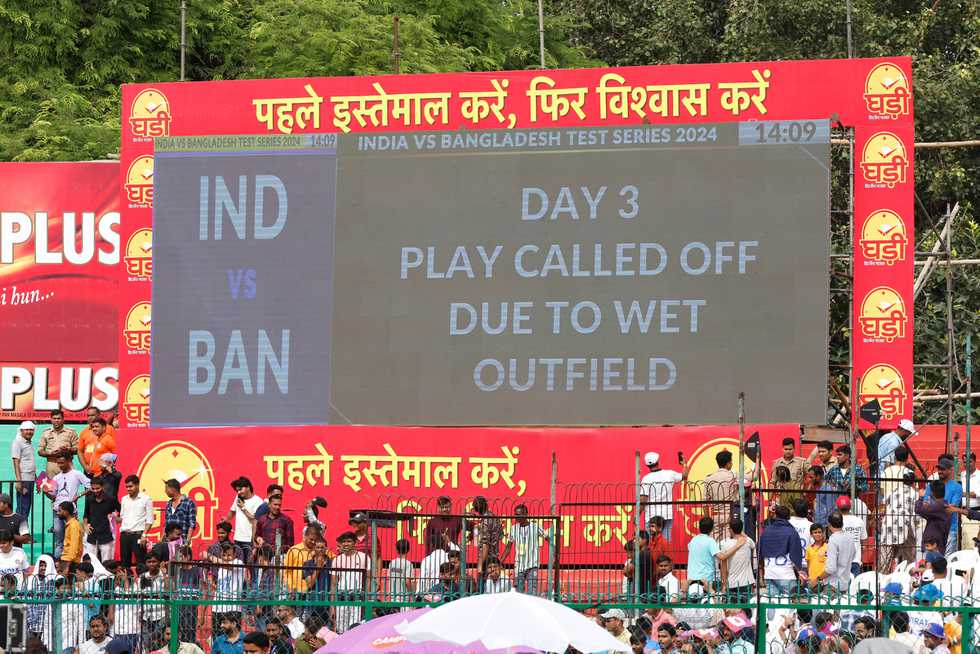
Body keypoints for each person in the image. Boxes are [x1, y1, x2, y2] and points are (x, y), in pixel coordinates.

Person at [44, 454, 90, 557]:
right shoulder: (56, 477)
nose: (60, 465)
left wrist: (78, 496)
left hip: (70, 511)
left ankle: (73, 560)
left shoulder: (77, 474)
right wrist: (46, 493)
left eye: (62, 463)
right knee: (59, 540)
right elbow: (53, 497)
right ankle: (58, 562)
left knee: (73, 537)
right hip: (57, 511)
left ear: (68, 461)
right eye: (58, 463)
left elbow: (90, 486)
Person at [639, 451, 689, 541]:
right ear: (657, 461)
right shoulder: (669, 474)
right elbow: (684, 475)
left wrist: (637, 514)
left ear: (647, 465)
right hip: (667, 513)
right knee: (666, 542)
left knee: (651, 542)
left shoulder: (646, 479)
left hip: (651, 515)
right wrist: (684, 464)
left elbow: (643, 500)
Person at [687, 516, 746, 592]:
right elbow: (722, 557)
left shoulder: (693, 540)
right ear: (712, 529)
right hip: (705, 580)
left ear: (699, 527)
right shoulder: (710, 541)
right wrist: (738, 545)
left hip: (691, 579)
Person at [501, 503, 549, 594]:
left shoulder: (535, 527)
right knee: (519, 593)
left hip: (532, 565)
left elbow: (548, 538)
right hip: (519, 566)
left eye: (519, 515)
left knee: (532, 593)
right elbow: (508, 547)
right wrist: (500, 562)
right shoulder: (513, 529)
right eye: (515, 515)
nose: (516, 517)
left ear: (526, 514)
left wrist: (554, 552)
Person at [759, 504, 804, 595]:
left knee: (773, 602)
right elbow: (795, 554)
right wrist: (799, 571)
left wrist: (761, 573)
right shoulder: (791, 532)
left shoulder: (766, 531)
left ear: (775, 515)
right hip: (786, 573)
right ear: (788, 517)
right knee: (791, 601)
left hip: (769, 573)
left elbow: (760, 551)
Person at [879, 471, 918, 572]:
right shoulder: (915, 494)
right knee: (909, 557)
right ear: (913, 482)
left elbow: (883, 504)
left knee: (885, 558)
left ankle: (882, 576)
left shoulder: (894, 490)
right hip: (904, 525)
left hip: (888, 524)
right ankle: (909, 574)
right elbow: (915, 514)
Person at [332, 531, 369, 632]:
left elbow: (368, 580)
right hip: (341, 598)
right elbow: (334, 584)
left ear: (355, 543)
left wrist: (367, 599)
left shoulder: (363, 558)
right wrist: (332, 606)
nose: (346, 544)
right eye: (344, 541)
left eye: (349, 541)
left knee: (356, 629)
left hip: (357, 598)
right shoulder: (337, 560)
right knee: (341, 629)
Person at [925, 458, 963, 555]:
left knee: (947, 559)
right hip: (933, 529)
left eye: (943, 469)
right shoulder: (931, 485)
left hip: (949, 529)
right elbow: (925, 505)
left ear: (950, 470)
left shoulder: (957, 487)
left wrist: (933, 507)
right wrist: (941, 506)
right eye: (939, 469)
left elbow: (951, 508)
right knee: (931, 559)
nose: (940, 471)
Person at [119, 474, 155, 573]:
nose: (128, 489)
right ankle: (126, 582)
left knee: (141, 564)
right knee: (124, 564)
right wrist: (113, 517)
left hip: (138, 535)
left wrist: (144, 535)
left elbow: (150, 520)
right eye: (126, 487)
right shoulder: (124, 499)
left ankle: (142, 583)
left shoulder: (146, 499)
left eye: (130, 486)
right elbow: (122, 517)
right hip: (124, 535)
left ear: (137, 485)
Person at [225, 477, 263, 563]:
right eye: (237, 490)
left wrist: (243, 508)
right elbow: (232, 512)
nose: (239, 492)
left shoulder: (258, 501)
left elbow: (255, 520)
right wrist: (226, 520)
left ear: (248, 487)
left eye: (240, 489)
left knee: (250, 565)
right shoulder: (238, 498)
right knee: (238, 567)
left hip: (249, 540)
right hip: (237, 539)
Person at [704, 450, 739, 542]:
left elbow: (705, 503)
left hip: (715, 517)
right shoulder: (733, 476)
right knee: (727, 545)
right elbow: (753, 477)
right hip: (729, 516)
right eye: (731, 461)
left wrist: (707, 522)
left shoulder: (709, 479)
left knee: (715, 545)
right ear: (728, 463)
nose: (732, 463)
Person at [83, 477, 120, 561]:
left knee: (107, 561)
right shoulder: (89, 499)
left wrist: (115, 517)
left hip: (106, 534)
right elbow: (86, 515)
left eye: (97, 488)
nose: (95, 491)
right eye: (93, 489)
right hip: (92, 534)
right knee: (91, 561)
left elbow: (121, 512)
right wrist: (85, 526)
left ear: (103, 487)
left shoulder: (111, 499)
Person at [719, 518, 755, 602]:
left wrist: (724, 584)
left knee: (731, 608)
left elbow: (723, 566)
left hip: (731, 582)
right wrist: (741, 531)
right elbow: (753, 545)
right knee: (745, 607)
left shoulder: (725, 544)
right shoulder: (748, 541)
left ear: (730, 530)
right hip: (746, 581)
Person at [818, 512, 854, 593]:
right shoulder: (850, 537)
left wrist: (818, 579)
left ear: (829, 524)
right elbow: (853, 555)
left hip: (832, 585)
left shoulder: (833, 539)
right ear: (842, 523)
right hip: (845, 583)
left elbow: (831, 568)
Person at [37, 409, 78, 478]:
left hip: (67, 464)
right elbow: (40, 451)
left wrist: (68, 449)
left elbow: (77, 449)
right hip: (51, 464)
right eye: (54, 418)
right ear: (51, 420)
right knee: (51, 485)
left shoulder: (71, 432)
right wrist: (50, 453)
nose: (56, 420)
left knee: (68, 484)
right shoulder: (46, 433)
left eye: (59, 418)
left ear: (63, 419)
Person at [468, 496, 502, 577]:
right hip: (494, 555)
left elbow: (485, 544)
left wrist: (480, 566)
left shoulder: (485, 520)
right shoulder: (493, 517)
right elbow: (500, 535)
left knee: (484, 582)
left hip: (486, 559)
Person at [10, 420, 37, 519]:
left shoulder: (28, 443)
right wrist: (19, 481)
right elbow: (16, 462)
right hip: (24, 479)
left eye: (31, 430)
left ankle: (22, 527)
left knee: (26, 507)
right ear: (21, 431)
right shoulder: (17, 442)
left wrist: (36, 479)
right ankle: (19, 528)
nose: (29, 432)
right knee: (22, 507)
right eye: (26, 430)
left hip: (30, 479)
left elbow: (30, 462)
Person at [916, 480, 952, 553]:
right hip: (934, 545)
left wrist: (921, 497)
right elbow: (924, 513)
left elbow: (918, 509)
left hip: (933, 547)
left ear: (932, 493)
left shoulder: (938, 506)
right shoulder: (941, 505)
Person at [283, 524, 320, 593]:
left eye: (315, 540)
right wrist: (291, 587)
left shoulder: (319, 551)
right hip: (296, 590)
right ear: (305, 536)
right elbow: (287, 572)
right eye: (311, 539)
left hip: (314, 592)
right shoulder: (294, 550)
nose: (313, 542)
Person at [836, 496, 867, 576]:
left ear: (838, 508)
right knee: (854, 583)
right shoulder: (859, 521)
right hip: (856, 560)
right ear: (850, 507)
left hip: (841, 560)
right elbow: (864, 540)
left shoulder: (836, 522)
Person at [140, 552, 168, 640]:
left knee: (159, 642)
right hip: (146, 616)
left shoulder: (164, 576)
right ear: (146, 563)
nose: (151, 564)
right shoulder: (143, 577)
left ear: (159, 562)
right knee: (146, 643)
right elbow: (140, 595)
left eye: (154, 561)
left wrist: (164, 574)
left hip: (161, 616)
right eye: (149, 562)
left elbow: (169, 591)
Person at [386, 538, 414, 605]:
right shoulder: (408, 564)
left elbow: (389, 579)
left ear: (397, 550)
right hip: (403, 598)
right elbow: (407, 581)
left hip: (393, 597)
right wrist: (411, 595)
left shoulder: (392, 563)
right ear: (408, 549)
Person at [960, 452, 980, 546]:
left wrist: (961, 493)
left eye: (970, 461)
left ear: (975, 461)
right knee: (965, 543)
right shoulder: (961, 475)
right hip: (963, 512)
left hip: (976, 513)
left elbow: (976, 494)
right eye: (965, 462)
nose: (967, 464)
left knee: (973, 544)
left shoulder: (979, 475)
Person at [59, 501, 84, 570]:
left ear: (66, 512)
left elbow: (74, 546)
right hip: (67, 560)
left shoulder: (73, 526)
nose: (58, 513)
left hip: (71, 563)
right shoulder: (70, 525)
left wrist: (67, 565)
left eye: (60, 511)